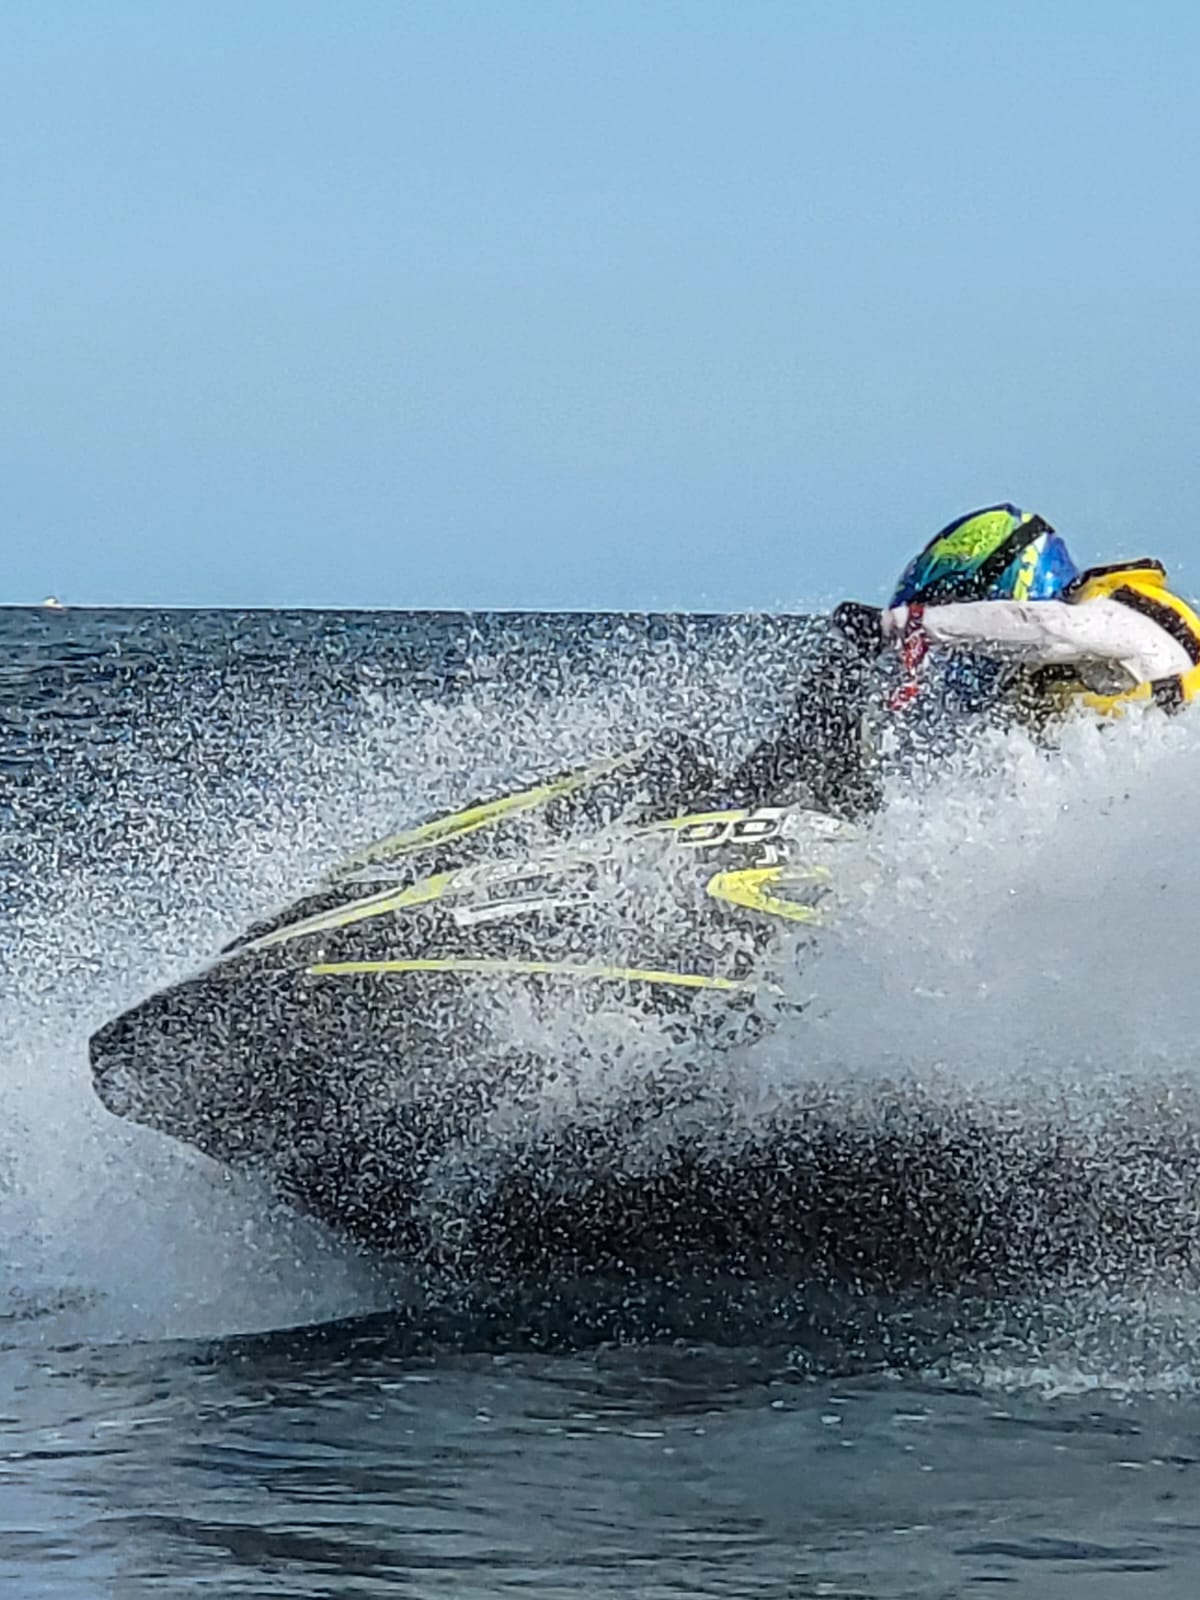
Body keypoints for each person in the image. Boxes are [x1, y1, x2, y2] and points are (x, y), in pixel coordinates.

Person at [835, 506, 1200, 720]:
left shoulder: (1121, 614)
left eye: (966, 605)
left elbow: (1051, 630)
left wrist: (904, 624)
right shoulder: (1044, 686)